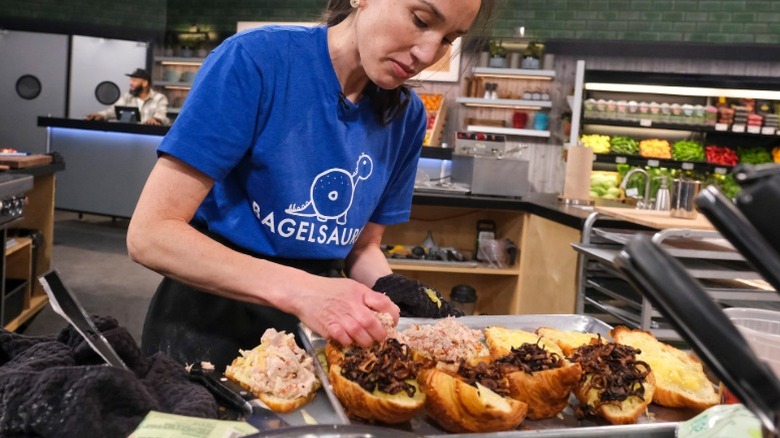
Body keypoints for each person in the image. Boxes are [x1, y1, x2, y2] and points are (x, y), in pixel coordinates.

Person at [127, 0, 495, 369]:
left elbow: (361, 247)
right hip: (209, 324)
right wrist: (305, 291)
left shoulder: (407, 116)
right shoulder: (258, 61)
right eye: (420, 20)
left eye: (449, 38)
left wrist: (390, 288)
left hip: (318, 331)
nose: (428, 53)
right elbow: (151, 235)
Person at [85, 68, 169, 126]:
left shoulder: (159, 98)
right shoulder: (127, 97)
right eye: (130, 80)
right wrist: (100, 115)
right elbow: (112, 111)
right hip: (130, 138)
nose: (130, 83)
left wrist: (156, 120)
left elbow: (162, 116)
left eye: (134, 80)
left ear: (145, 83)